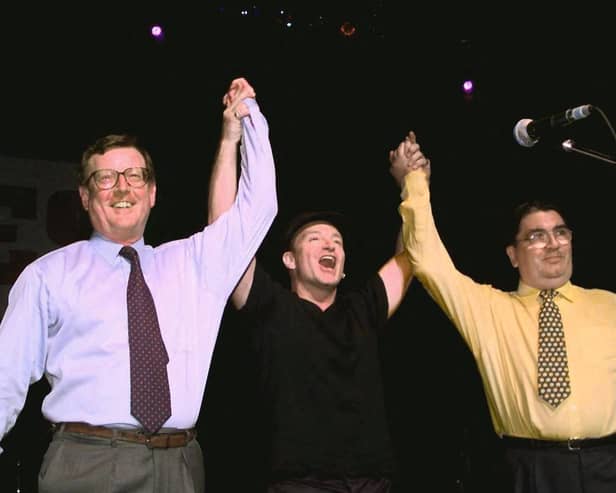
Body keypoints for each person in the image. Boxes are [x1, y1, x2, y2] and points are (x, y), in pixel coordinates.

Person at [0, 77, 277, 493]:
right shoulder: (47, 275)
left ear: (152, 193)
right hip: (86, 462)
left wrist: (245, 122)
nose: (122, 187)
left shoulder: (194, 263)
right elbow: (6, 377)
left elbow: (260, 206)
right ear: (85, 196)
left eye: (133, 175)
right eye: (105, 178)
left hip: (182, 463)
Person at [208, 88, 428, 491]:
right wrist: (229, 140)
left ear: (343, 267)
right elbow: (223, 236)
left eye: (338, 241)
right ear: (289, 260)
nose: (330, 245)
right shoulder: (270, 306)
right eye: (315, 239)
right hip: (299, 485)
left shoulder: (363, 308)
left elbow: (413, 255)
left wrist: (414, 185)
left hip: (371, 483)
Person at [396, 130, 616, 493]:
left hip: (608, 464)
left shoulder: (609, 305)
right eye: (537, 236)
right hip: (532, 471)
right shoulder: (490, 310)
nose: (553, 244)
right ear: (513, 256)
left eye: (561, 233)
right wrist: (414, 183)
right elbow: (430, 263)